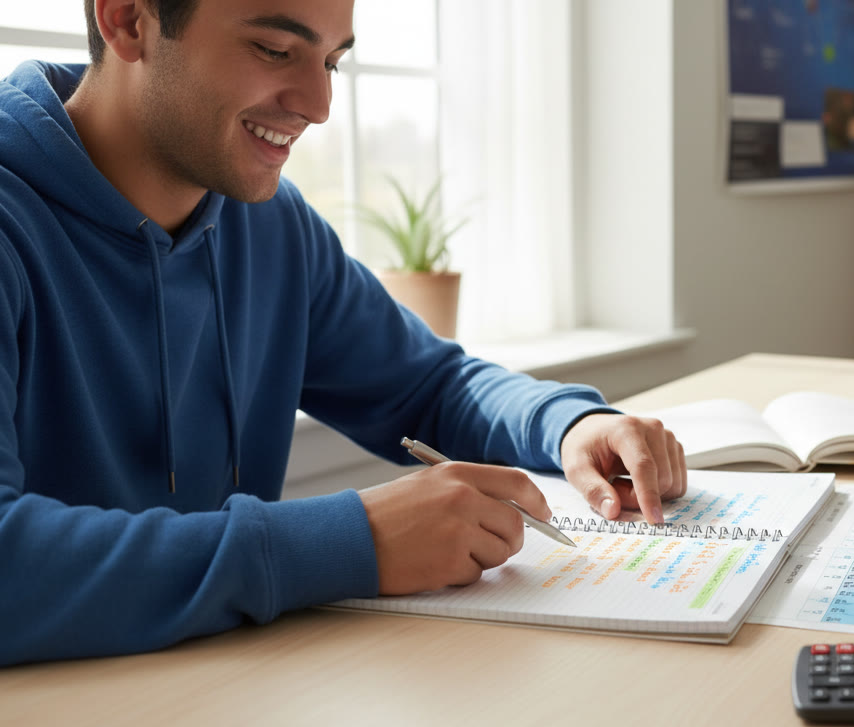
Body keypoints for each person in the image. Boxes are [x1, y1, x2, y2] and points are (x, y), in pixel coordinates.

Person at [0, 0, 687, 667]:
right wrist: (351, 540)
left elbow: (430, 384)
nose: (319, 104)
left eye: (332, 59)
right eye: (274, 49)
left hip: (221, 699)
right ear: (127, 19)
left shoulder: (271, 226)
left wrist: (564, 424)